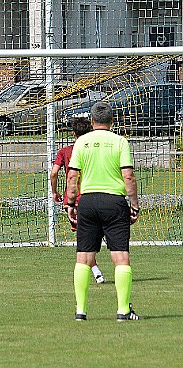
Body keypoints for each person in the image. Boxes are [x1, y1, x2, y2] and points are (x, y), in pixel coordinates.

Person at [67, 102, 141, 321]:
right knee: (121, 257)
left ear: (92, 121)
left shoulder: (82, 142)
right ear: (112, 121)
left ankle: (81, 311)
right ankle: (122, 311)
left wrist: (71, 204)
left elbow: (72, 177)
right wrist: (134, 204)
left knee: (83, 257)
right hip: (114, 203)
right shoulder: (120, 142)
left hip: (88, 202)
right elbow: (128, 176)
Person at [50, 117, 106, 284]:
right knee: (92, 237)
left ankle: (95, 271)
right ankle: (96, 271)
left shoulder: (65, 151)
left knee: (85, 239)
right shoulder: (95, 150)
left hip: (73, 200)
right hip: (94, 197)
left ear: (73, 133)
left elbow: (53, 173)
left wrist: (54, 192)